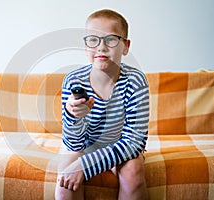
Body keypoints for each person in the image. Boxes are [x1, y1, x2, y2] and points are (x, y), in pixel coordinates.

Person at [55, 9, 149, 200]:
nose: (101, 47)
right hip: (82, 146)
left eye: (111, 39)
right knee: (65, 183)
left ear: (125, 46)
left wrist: (84, 165)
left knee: (134, 174)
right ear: (85, 45)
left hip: (121, 146)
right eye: (93, 40)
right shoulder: (73, 81)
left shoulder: (135, 81)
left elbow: (134, 142)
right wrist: (73, 116)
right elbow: (74, 143)